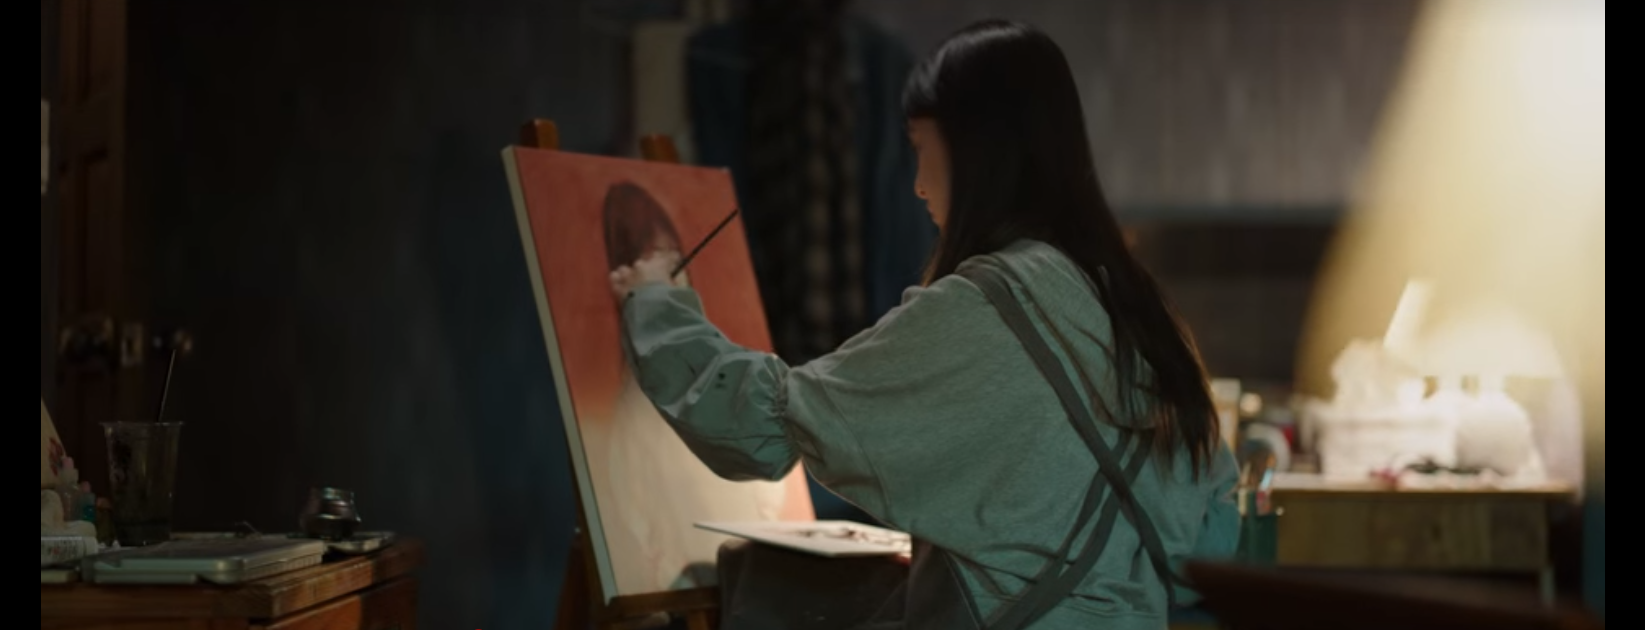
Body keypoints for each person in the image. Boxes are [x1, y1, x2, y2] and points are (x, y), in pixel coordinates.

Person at [609, 20, 1239, 630]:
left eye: (919, 148)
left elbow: (756, 425)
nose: (915, 185)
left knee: (757, 583)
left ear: (976, 149)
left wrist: (657, 302)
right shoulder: (1132, 304)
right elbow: (1209, 540)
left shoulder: (983, 308)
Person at [597, 182, 788, 595]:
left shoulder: (726, 378)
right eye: (657, 268)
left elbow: (768, 476)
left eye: (676, 260)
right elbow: (638, 527)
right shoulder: (630, 412)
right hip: (689, 586)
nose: (676, 280)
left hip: (752, 581)